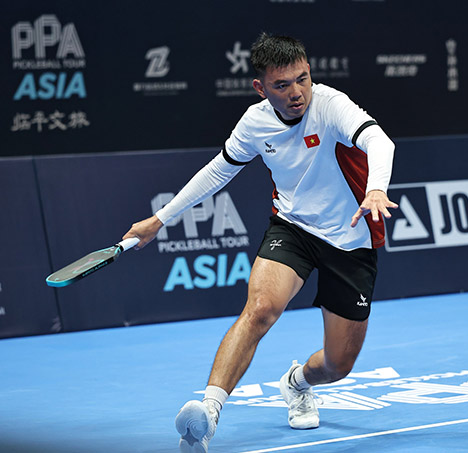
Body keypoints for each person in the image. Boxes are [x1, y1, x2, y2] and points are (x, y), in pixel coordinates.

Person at [123, 32, 398, 453]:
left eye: (302, 79)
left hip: (350, 237)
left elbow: (379, 140)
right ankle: (207, 415)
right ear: (261, 87)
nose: (296, 92)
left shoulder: (330, 105)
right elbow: (218, 171)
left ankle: (298, 383)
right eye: (282, 85)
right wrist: (160, 219)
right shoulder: (255, 123)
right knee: (260, 310)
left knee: (337, 364)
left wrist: (376, 188)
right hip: (293, 228)